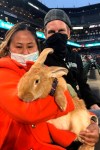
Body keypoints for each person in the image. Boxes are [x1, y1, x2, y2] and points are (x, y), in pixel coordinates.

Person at [0, 22, 87, 150]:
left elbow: (69, 93)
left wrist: (90, 122)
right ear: (8, 48)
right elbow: (28, 113)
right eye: (18, 47)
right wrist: (63, 98)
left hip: (53, 140)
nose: (25, 52)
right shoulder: (3, 72)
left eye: (30, 46)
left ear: (38, 49)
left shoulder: (43, 69)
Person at [41, 9, 100, 149]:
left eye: (61, 31)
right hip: (57, 116)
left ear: (68, 33)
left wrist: (92, 103)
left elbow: (83, 84)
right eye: (52, 32)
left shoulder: (75, 56)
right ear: (45, 34)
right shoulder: (40, 58)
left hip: (80, 108)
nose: (57, 36)